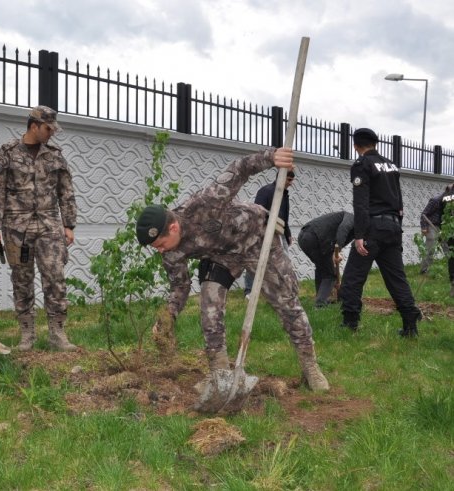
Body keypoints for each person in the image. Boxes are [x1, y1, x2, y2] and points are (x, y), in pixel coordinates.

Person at [135, 147, 329, 410]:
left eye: (160, 243)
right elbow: (180, 286)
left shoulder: (204, 203)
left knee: (287, 302)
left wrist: (271, 158)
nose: (160, 250)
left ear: (173, 227)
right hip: (222, 258)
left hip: (258, 239)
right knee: (209, 307)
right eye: (155, 247)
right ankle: (221, 374)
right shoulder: (171, 252)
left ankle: (310, 366)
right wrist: (169, 313)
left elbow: (239, 169)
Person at [0, 106, 78, 351]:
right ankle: (27, 334)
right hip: (17, 228)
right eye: (48, 129)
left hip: (49, 226)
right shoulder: (7, 153)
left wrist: (68, 224)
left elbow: (65, 192)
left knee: (55, 278)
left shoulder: (55, 155)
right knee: (22, 280)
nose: (52, 133)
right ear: (34, 126)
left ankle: (57, 333)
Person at [339, 128, 421, 337]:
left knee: (352, 277)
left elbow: (361, 203)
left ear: (356, 146)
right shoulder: (391, 166)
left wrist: (359, 236)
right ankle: (410, 321)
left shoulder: (362, 165)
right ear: (376, 144)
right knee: (396, 278)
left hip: (372, 229)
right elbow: (400, 202)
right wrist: (398, 230)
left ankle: (350, 322)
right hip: (393, 227)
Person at [244, 170, 295, 297]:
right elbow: (257, 212)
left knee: (284, 260)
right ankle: (249, 291)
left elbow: (284, 217)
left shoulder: (285, 194)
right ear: (281, 178)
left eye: (291, 180)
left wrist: (288, 234)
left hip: (280, 231)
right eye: (289, 180)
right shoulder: (265, 191)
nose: (291, 183)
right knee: (255, 260)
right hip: (263, 231)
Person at [297, 211, 355, 307]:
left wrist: (334, 252)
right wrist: (337, 251)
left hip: (304, 237)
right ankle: (320, 304)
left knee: (322, 268)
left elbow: (340, 237)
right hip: (314, 238)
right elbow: (343, 229)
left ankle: (320, 297)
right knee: (330, 274)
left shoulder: (353, 230)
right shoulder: (351, 218)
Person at [419, 185, 451, 274]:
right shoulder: (435, 200)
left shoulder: (449, 203)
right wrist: (424, 228)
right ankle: (424, 270)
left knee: (448, 248)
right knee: (430, 248)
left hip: (443, 227)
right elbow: (424, 214)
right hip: (432, 225)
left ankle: (452, 269)